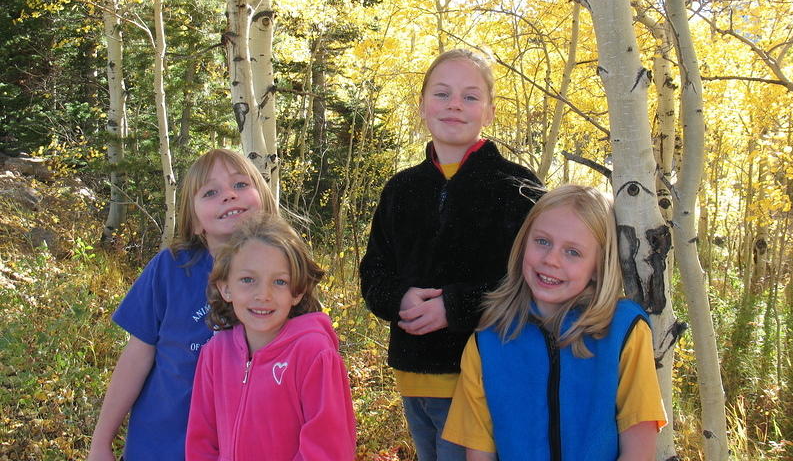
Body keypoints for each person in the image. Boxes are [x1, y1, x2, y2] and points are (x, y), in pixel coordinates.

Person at [360, 48, 543, 461]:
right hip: (414, 378)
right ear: (423, 105)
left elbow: (534, 283)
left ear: (490, 112)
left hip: (483, 379)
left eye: (470, 96)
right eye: (442, 94)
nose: (455, 105)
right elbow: (374, 273)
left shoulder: (518, 188)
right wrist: (399, 298)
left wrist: (455, 308)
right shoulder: (400, 190)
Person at [442, 185, 667, 461]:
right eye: (543, 241)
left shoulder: (623, 330)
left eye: (573, 252)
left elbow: (639, 446)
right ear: (524, 242)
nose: (551, 260)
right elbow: (479, 452)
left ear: (599, 265)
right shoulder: (489, 340)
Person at [88, 149, 276, 461]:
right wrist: (100, 442)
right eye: (211, 192)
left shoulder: (286, 273)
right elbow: (136, 357)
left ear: (265, 200)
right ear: (195, 222)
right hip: (160, 446)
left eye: (241, 184)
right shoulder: (171, 268)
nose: (229, 195)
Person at [185, 213, 356, 460]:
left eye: (279, 282)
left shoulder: (313, 354)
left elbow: (327, 449)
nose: (263, 294)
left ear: (296, 291)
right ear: (226, 288)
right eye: (247, 280)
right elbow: (202, 441)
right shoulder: (215, 353)